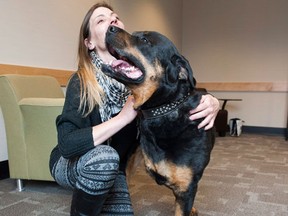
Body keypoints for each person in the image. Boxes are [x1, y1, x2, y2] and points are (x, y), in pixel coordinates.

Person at [49, 2, 220, 216]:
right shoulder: (81, 82)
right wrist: (122, 118)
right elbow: (67, 145)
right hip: (72, 162)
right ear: (89, 42)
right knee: (105, 157)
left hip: (115, 168)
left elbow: (176, 94)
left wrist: (210, 100)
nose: (112, 21)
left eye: (115, 17)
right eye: (100, 20)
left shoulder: (140, 84)